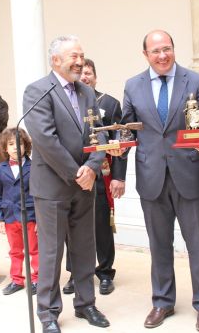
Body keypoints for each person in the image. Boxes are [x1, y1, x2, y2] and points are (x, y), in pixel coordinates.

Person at [114, 30, 199, 332]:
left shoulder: (195, 81)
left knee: (198, 244)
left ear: (173, 49)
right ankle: (162, 301)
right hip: (152, 176)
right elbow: (127, 128)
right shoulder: (133, 85)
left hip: (190, 173)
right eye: (156, 51)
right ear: (145, 54)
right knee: (159, 244)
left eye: (167, 49)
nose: (163, 55)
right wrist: (119, 147)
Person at [23, 35, 109, 333]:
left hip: (85, 185)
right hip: (53, 187)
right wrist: (77, 173)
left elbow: (101, 133)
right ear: (55, 60)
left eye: (82, 56)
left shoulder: (87, 92)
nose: (80, 62)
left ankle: (86, 304)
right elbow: (45, 139)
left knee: (85, 248)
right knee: (51, 252)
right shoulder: (37, 91)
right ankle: (48, 313)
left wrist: (92, 168)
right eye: (74, 56)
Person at [62, 58, 125, 296]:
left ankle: (105, 272)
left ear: (95, 77)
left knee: (102, 225)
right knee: (72, 226)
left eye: (88, 73)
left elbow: (120, 141)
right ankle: (75, 273)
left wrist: (119, 177)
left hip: (101, 173)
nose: (84, 77)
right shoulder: (65, 102)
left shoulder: (109, 103)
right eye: (81, 73)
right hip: (73, 173)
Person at [0, 127, 39, 296]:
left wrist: (40, 219)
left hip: (30, 215)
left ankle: (37, 279)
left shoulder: (34, 167)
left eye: (19, 144)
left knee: (34, 249)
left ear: (25, 146)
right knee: (15, 250)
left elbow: (39, 194)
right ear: (5, 148)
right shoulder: (1, 168)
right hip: (10, 216)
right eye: (11, 144)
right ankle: (17, 280)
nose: (15, 147)